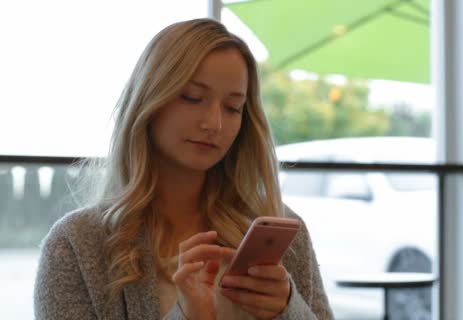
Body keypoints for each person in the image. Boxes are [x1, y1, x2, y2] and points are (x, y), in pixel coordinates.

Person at [34, 18, 333, 320]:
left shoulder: (280, 230)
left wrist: (288, 309)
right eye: (192, 97)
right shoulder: (76, 246)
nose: (214, 123)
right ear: (148, 100)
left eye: (233, 107)